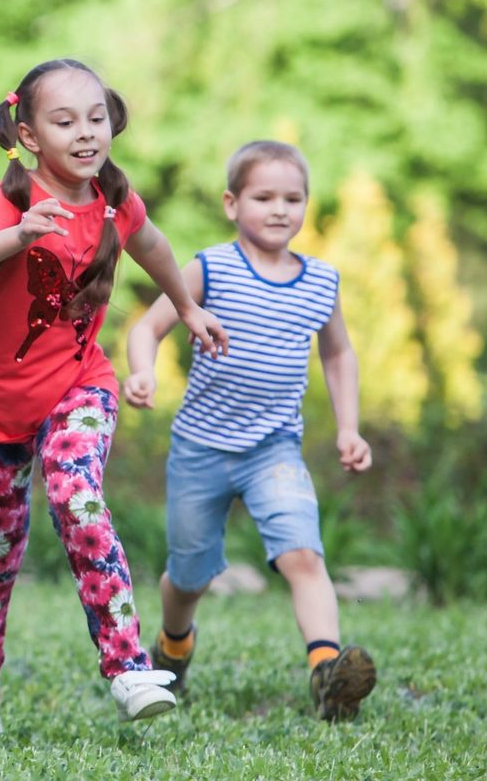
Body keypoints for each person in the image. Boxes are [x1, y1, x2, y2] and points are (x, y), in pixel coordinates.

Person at [0, 58, 228, 735]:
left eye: (96, 117)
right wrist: (18, 235)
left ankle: (127, 666)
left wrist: (184, 306)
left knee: (77, 494)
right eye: (65, 121)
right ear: (30, 135)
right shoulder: (12, 200)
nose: (87, 132)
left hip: (78, 384)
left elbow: (150, 244)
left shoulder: (115, 199)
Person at [123, 139, 376, 721]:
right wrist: (142, 373)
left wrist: (349, 427)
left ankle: (326, 675)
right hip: (199, 447)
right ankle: (173, 647)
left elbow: (339, 356)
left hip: (274, 449)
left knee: (303, 556)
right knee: (187, 578)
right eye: (264, 196)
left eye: (294, 198)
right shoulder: (210, 266)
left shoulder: (321, 281)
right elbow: (149, 326)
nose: (280, 209)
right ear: (232, 203)